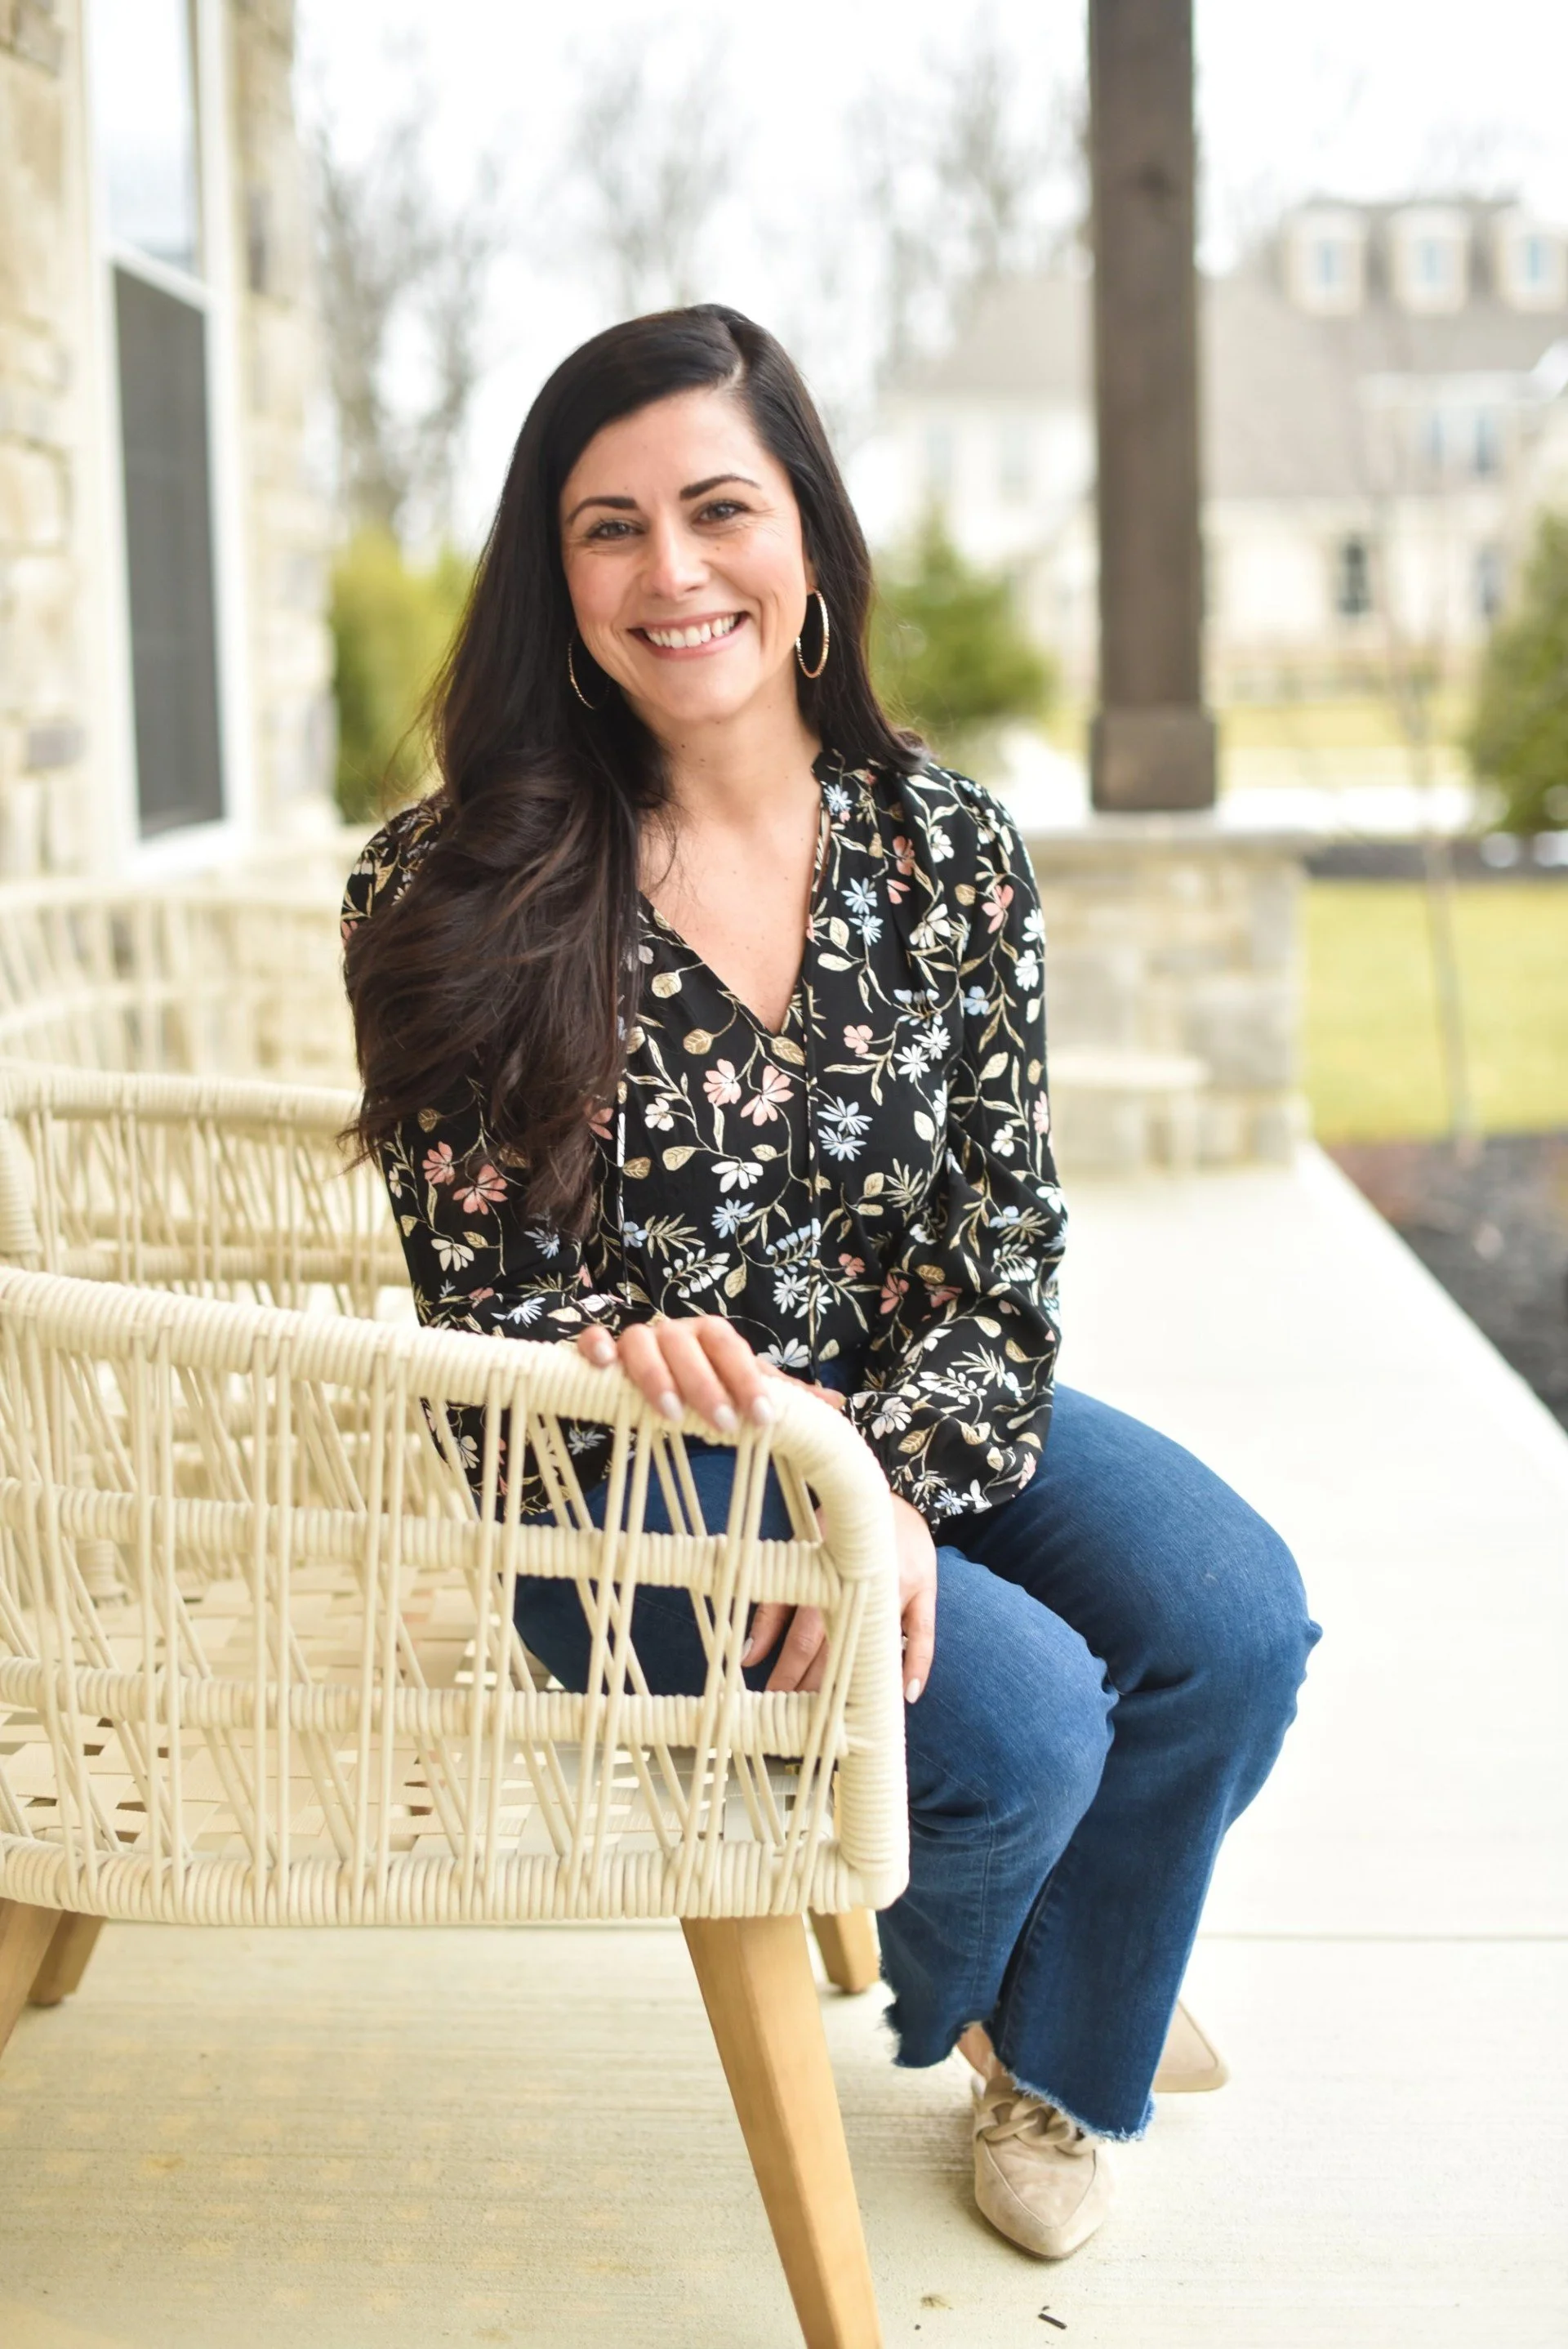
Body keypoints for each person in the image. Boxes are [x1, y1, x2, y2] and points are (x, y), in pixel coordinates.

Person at [341, 303, 1319, 2262]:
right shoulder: (447, 880)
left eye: (719, 507)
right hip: (624, 1464)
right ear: (557, 578)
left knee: (1233, 1622)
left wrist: (884, 1481)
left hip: (901, 1401)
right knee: (1032, 1728)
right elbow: (487, 1311)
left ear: (808, 542)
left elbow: (1004, 1243)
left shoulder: (947, 850)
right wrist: (814, 1485)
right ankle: (1026, 1981)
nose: (671, 570)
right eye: (607, 527)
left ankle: (1055, 2040)